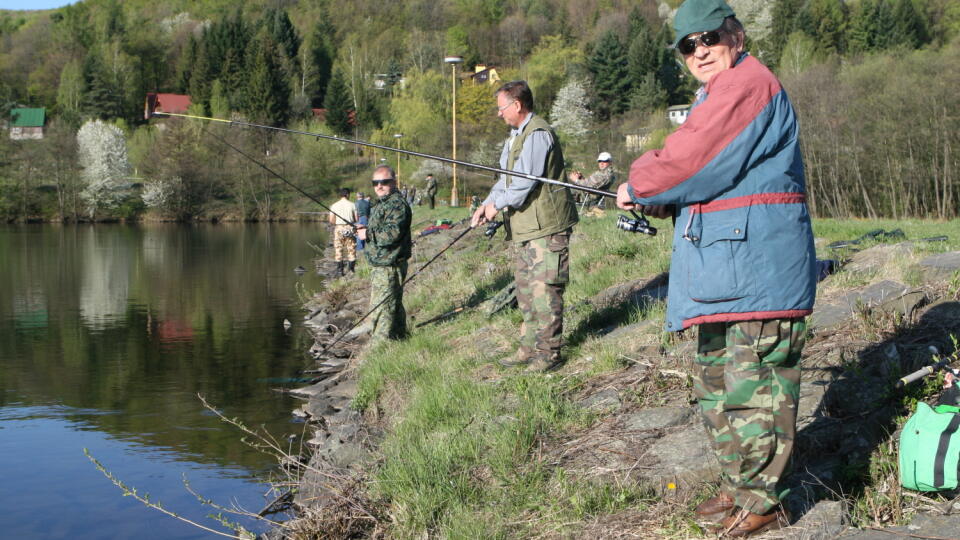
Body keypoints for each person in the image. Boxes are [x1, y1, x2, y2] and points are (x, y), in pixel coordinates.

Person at [615, 0, 816, 536]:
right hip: (722, 274)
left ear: (737, 36)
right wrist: (663, 201)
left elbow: (691, 160)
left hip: (757, 274)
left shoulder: (747, 85)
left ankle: (766, 504)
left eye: (710, 38)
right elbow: (714, 179)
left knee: (757, 394)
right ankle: (741, 488)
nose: (700, 50)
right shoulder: (717, 91)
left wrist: (639, 185)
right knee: (718, 388)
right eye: (688, 45)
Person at [470, 80, 579, 372]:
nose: (499, 114)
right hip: (526, 229)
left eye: (501, 108)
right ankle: (529, 347)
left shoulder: (538, 134)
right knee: (526, 293)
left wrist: (497, 206)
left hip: (547, 228)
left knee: (546, 293)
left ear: (517, 105)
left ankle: (549, 355)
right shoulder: (514, 137)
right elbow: (505, 178)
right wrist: (487, 203)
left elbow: (524, 181)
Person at [356, 165, 412, 343]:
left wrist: (367, 234)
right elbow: (382, 229)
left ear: (394, 182)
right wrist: (365, 229)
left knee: (381, 308)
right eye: (375, 182)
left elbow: (392, 234)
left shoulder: (397, 205)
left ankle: (379, 348)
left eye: (384, 182)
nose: (379, 186)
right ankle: (399, 340)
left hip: (389, 265)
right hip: (383, 264)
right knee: (393, 305)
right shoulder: (383, 203)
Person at [328, 187, 357, 276]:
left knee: (338, 249)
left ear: (340, 195)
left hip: (339, 228)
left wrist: (338, 223)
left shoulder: (334, 205)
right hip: (350, 228)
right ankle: (351, 270)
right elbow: (356, 218)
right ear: (348, 195)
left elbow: (331, 220)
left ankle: (340, 270)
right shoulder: (353, 205)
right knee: (351, 249)